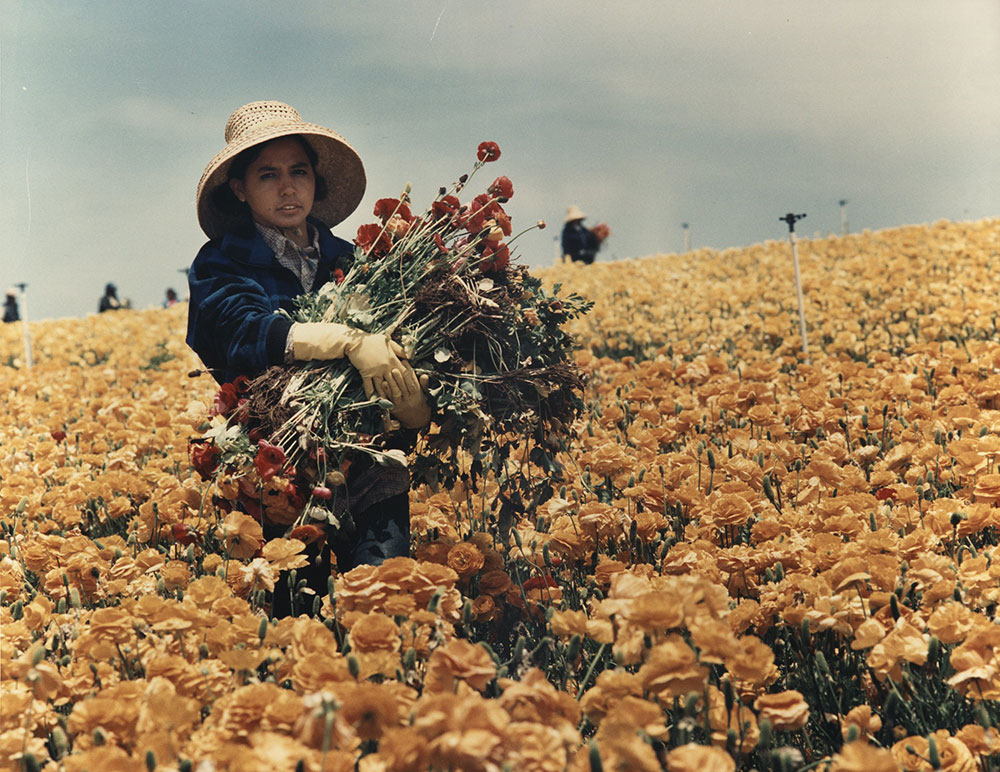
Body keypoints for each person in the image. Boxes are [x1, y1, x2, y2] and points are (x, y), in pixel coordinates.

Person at [187, 100, 430, 618]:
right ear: (239, 188)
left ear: (316, 179)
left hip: (367, 457)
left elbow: (402, 336)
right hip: (277, 464)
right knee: (296, 615)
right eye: (267, 174)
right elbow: (239, 329)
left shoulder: (351, 260)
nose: (288, 187)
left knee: (386, 604)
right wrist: (344, 340)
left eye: (298, 171)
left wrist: (419, 399)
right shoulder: (221, 262)